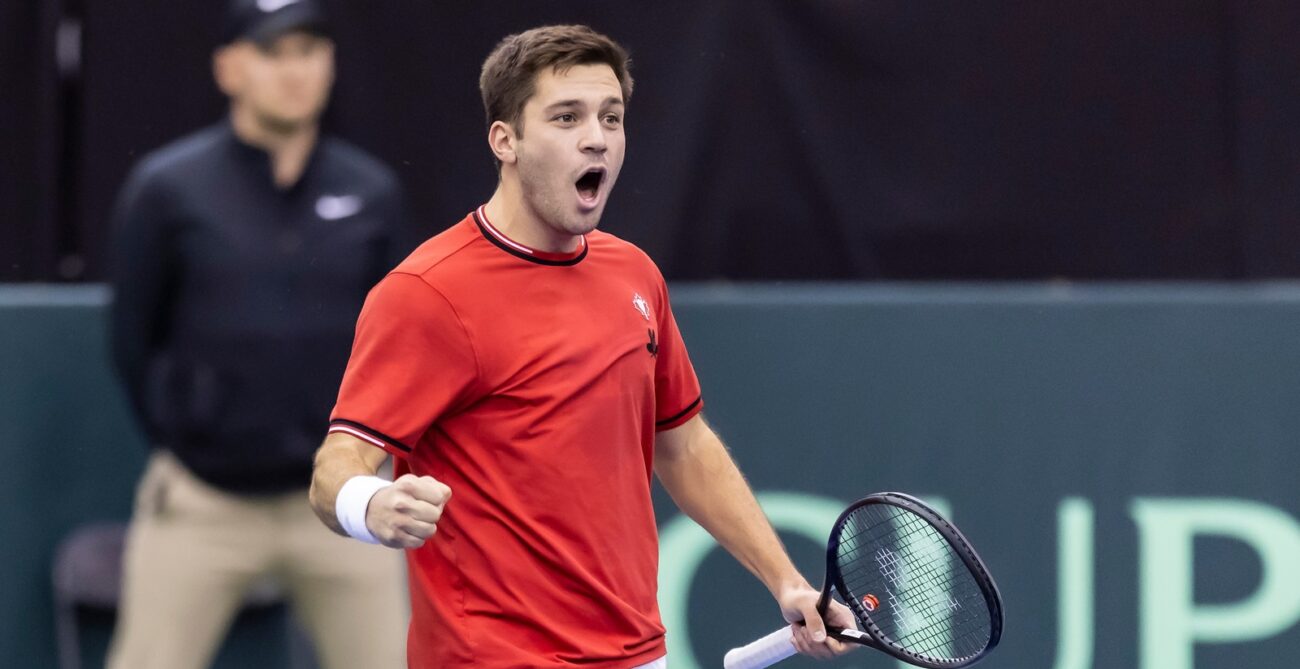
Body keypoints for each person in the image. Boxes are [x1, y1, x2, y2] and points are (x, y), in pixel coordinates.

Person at [308, 24, 856, 668]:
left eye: (611, 117)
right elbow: (335, 468)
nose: (597, 137)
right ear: (504, 141)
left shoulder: (634, 275)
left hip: (636, 653)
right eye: (566, 117)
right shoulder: (428, 294)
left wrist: (785, 580)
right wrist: (370, 504)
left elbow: (683, 446)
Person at [107, 1, 410, 667]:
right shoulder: (166, 188)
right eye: (273, 52)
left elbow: (401, 342)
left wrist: (362, 461)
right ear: (229, 67)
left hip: (344, 498)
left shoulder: (371, 190)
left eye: (309, 51)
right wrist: (187, 433)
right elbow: (131, 339)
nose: (293, 71)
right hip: (203, 500)